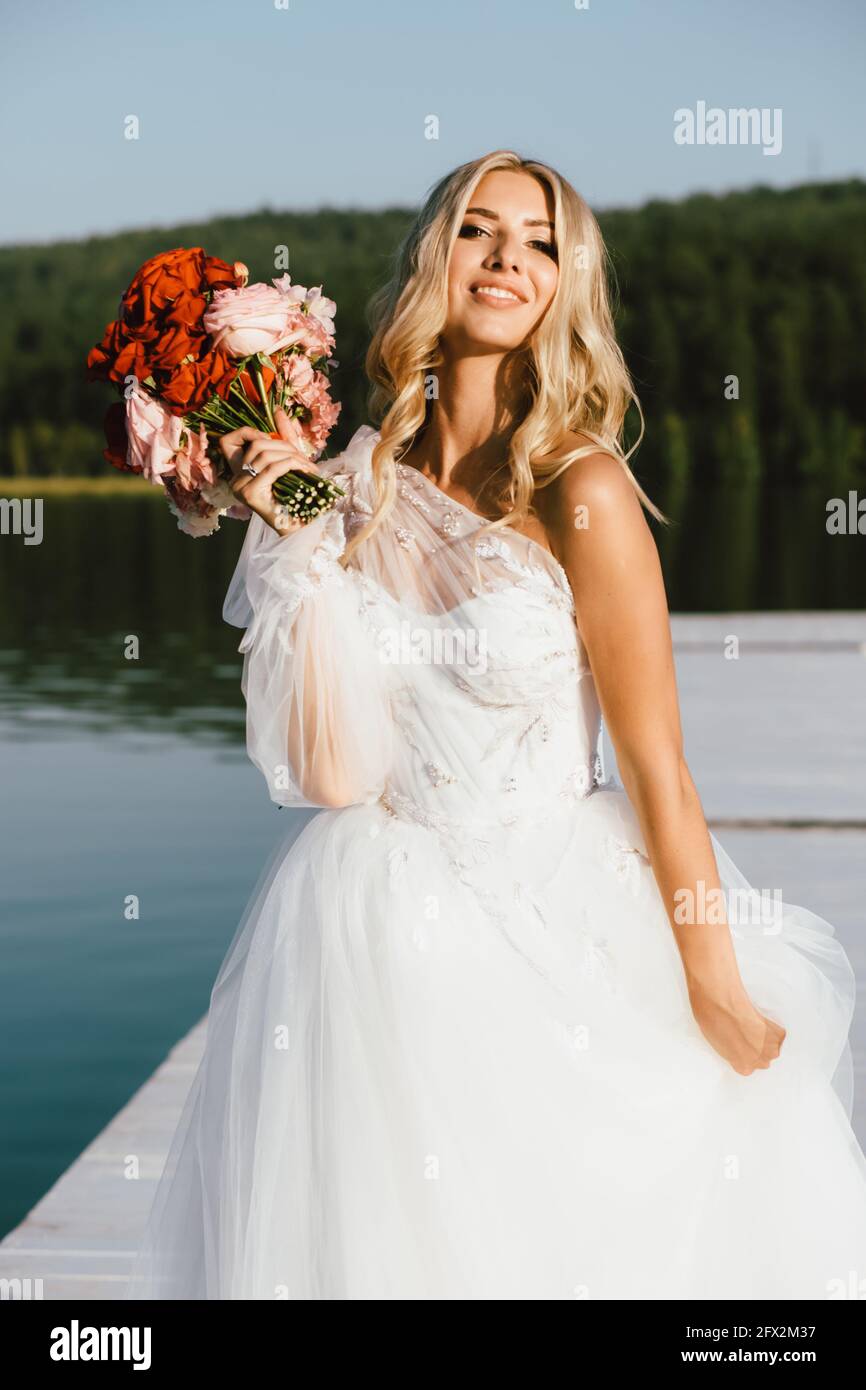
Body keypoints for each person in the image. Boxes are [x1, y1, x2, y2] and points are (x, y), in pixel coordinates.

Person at [127, 150, 866, 1300]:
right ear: (437, 255)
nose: (507, 260)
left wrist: (711, 976)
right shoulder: (358, 478)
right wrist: (275, 517)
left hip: (555, 911)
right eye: (479, 230)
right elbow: (327, 767)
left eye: (539, 241)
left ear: (563, 282)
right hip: (371, 926)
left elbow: (656, 763)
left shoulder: (582, 487)